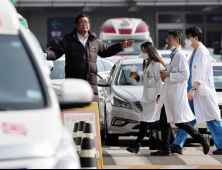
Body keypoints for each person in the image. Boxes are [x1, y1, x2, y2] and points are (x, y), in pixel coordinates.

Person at [43, 14, 134, 103]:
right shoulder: (68, 40)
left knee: (92, 112)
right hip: (74, 83)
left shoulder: (94, 41)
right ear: (76, 25)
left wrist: (121, 46)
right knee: (75, 112)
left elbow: (107, 51)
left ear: (89, 25)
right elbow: (56, 51)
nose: (84, 24)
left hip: (91, 84)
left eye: (86, 22)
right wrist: (46, 55)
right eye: (81, 22)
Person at [150, 30, 210, 156]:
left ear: (176, 41)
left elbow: (185, 75)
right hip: (169, 95)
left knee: (179, 122)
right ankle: (165, 148)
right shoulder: (174, 56)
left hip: (176, 96)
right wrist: (166, 76)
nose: (167, 42)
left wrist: (169, 75)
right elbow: (174, 75)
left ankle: (201, 140)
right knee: (164, 121)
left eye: (170, 39)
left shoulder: (180, 56)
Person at [171, 26, 222, 155]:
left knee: (213, 119)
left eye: (188, 38)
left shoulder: (203, 52)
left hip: (201, 92)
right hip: (193, 93)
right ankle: (177, 144)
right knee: (187, 119)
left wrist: (192, 89)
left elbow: (200, 74)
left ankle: (221, 146)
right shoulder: (192, 53)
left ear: (196, 38)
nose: (186, 40)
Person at [126, 42, 165, 154]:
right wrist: (137, 77)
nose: (142, 54)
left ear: (150, 51)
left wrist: (159, 95)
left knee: (145, 121)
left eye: (144, 51)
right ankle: (167, 144)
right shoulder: (147, 63)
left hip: (154, 99)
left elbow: (161, 82)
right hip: (147, 97)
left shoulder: (158, 65)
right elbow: (146, 79)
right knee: (155, 122)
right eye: (142, 51)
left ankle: (136, 145)